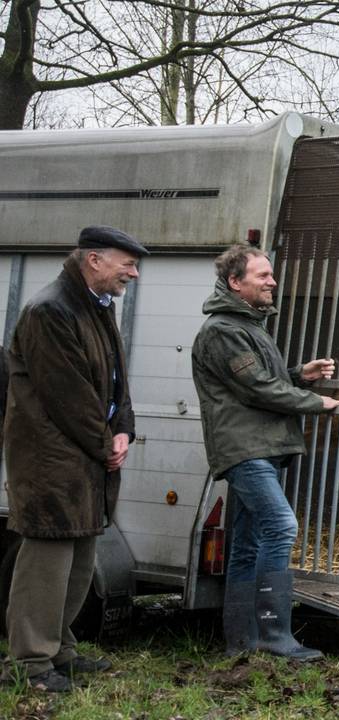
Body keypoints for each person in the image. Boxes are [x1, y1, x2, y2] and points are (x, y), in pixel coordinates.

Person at [4, 227, 146, 692]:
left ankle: (60, 650)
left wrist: (123, 428)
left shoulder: (96, 305)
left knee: (80, 556)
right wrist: (107, 444)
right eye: (127, 263)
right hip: (51, 460)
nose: (134, 273)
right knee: (47, 561)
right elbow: (69, 396)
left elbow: (116, 380)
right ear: (94, 260)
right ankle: (31, 664)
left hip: (83, 456)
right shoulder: (50, 310)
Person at [192, 243, 339, 660]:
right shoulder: (223, 331)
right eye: (263, 275)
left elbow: (259, 381)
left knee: (247, 543)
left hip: (259, 446)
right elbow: (256, 388)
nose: (272, 282)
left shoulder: (248, 326)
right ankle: (274, 634)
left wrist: (299, 375)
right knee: (281, 526)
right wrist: (315, 402)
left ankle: (241, 641)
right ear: (234, 282)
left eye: (271, 274)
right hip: (246, 449)